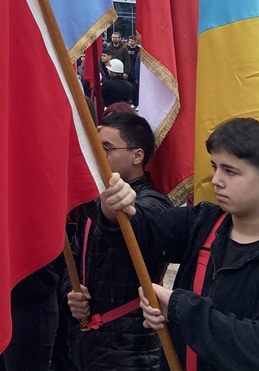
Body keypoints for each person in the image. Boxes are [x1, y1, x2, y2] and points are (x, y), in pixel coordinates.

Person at [102, 116, 259, 370]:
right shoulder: (203, 222)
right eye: (215, 167)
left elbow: (258, 346)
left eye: (230, 171)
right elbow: (145, 229)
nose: (216, 180)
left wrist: (179, 308)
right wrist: (116, 207)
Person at [64, 111, 171, 370]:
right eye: (95, 147)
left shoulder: (156, 205)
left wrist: (113, 213)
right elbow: (74, 257)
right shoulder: (95, 200)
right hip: (86, 343)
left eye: (107, 148)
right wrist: (71, 292)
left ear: (137, 155)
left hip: (132, 348)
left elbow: (136, 222)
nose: (98, 155)